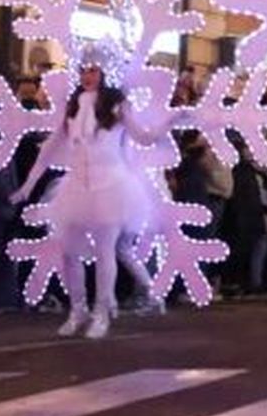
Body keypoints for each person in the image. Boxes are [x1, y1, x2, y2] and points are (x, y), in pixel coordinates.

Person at [10, 42, 163, 339]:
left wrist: (169, 123)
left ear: (105, 73)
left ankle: (102, 312)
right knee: (69, 252)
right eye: (83, 70)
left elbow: (143, 137)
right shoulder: (74, 104)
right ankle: (77, 309)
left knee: (106, 251)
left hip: (111, 186)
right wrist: (29, 183)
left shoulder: (117, 105)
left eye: (93, 70)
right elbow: (51, 145)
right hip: (78, 186)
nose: (87, 76)